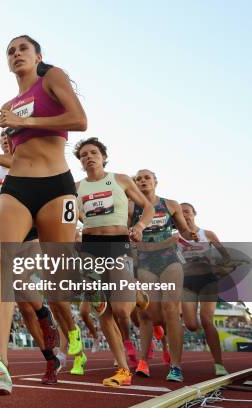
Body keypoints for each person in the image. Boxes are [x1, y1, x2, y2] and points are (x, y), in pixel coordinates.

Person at [0, 34, 87, 396]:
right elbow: (21, 156)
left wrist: (28, 121)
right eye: (10, 51)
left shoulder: (52, 78)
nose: (16, 54)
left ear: (38, 55)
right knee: (2, 258)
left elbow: (79, 121)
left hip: (56, 186)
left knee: (57, 279)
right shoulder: (9, 104)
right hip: (19, 187)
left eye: (23, 49)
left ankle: (75, 323)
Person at [0, 130, 62, 384]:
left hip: (32, 229)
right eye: (3, 138)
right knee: (24, 305)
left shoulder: (30, 161)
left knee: (15, 279)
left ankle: (44, 314)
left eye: (11, 137)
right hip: (5, 225)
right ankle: (50, 356)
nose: (7, 140)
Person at [73, 137, 154, 386]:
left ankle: (138, 296)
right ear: (80, 161)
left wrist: (140, 225)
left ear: (104, 157)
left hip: (118, 243)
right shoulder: (76, 187)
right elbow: (69, 216)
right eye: (84, 154)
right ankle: (122, 370)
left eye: (94, 152)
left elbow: (147, 207)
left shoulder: (120, 180)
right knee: (102, 310)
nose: (89, 157)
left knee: (121, 310)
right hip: (89, 249)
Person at [131, 169, 198, 382]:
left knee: (171, 310)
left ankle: (176, 366)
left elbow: (184, 231)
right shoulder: (131, 207)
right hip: (145, 263)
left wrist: (190, 234)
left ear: (155, 181)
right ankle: (148, 355)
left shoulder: (170, 204)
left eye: (146, 177)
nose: (142, 181)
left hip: (170, 261)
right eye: (138, 179)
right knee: (152, 314)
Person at [178, 202, 229, 376]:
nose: (184, 215)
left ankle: (219, 364)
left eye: (187, 211)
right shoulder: (174, 238)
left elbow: (226, 258)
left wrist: (219, 267)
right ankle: (204, 330)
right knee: (191, 325)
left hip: (208, 280)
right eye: (180, 212)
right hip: (187, 282)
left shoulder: (207, 234)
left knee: (207, 320)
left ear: (194, 214)